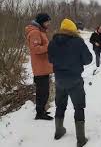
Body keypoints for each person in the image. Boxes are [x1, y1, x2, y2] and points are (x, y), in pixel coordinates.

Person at [48, 19, 92, 147]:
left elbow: (50, 59)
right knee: (79, 107)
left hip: (59, 80)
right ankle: (81, 139)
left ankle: (59, 131)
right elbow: (88, 59)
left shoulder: (52, 43)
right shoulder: (78, 42)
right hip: (75, 80)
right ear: (73, 29)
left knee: (60, 105)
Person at [25, 13, 54, 120]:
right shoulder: (35, 32)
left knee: (44, 91)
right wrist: (49, 46)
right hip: (40, 68)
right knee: (42, 92)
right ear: (42, 22)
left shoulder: (40, 31)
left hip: (43, 67)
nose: (49, 24)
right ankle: (39, 113)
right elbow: (35, 49)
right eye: (47, 21)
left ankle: (42, 111)